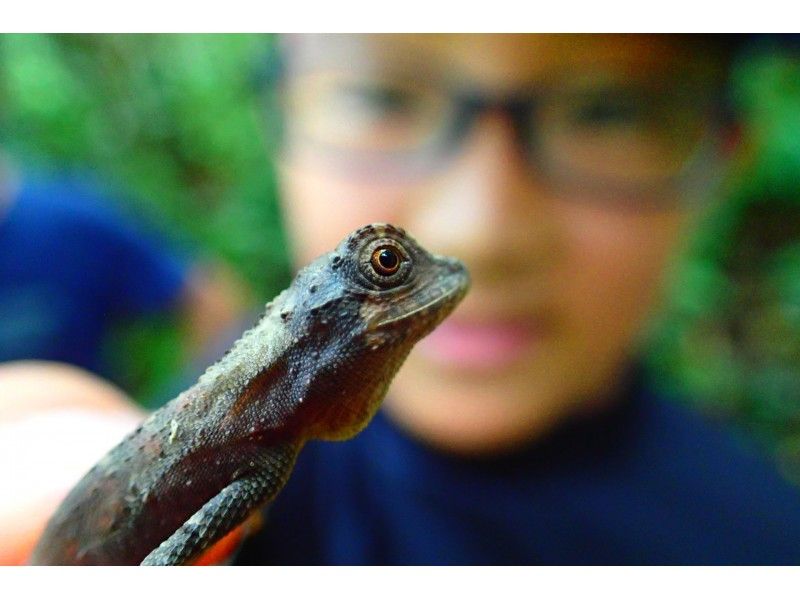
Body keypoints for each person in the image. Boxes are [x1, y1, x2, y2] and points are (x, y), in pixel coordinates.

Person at [4, 34, 800, 565]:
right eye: (382, 96)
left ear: (730, 153)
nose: (482, 233)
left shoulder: (761, 542)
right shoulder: (256, 456)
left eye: (610, 109)